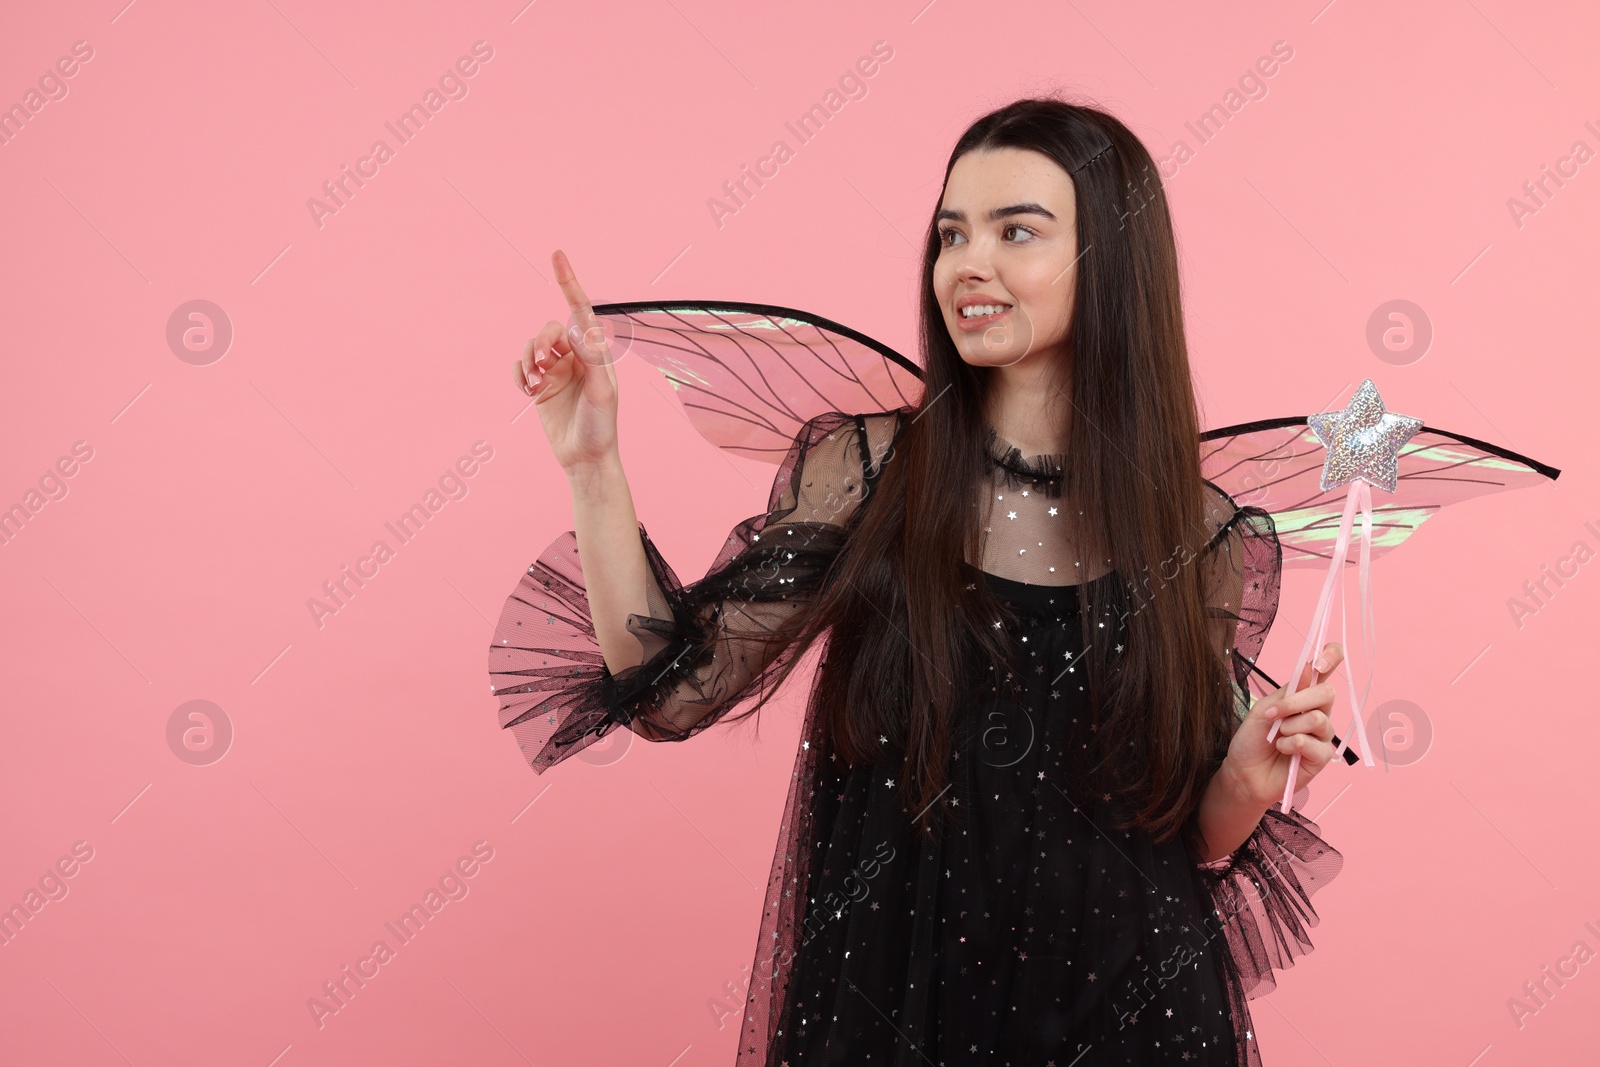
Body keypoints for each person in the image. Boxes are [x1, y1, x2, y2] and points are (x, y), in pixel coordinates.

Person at [493, 97, 1345, 1066]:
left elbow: (1183, 833)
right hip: (899, 1003)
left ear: (1109, 260)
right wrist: (593, 464)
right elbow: (667, 690)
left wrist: (1243, 777)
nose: (966, 264)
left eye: (1015, 230)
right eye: (950, 234)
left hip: (1132, 1010)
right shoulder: (877, 472)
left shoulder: (1195, 531)